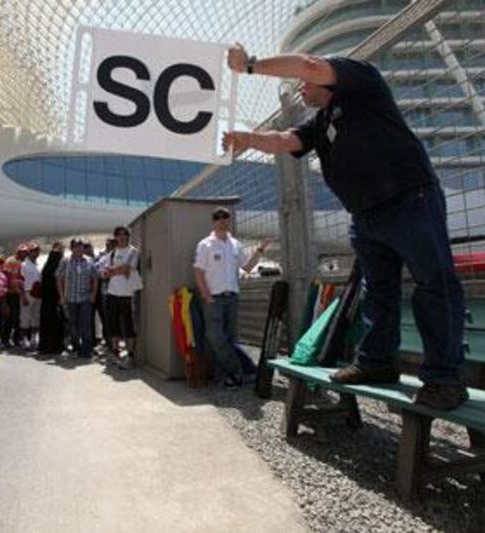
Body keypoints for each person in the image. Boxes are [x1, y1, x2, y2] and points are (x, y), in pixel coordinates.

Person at [223, 48, 467, 409]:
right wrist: (247, 140)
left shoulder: (361, 81)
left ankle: (445, 379)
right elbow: (284, 141)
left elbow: (308, 64)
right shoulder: (319, 123)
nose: (302, 88)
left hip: (408, 198)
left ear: (325, 81)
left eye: (305, 83)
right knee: (377, 292)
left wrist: (251, 66)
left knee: (435, 283)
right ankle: (376, 362)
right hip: (366, 216)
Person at [193, 207, 266, 389]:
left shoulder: (235, 244)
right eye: (218, 218)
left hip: (232, 297)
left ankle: (224, 377)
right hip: (213, 298)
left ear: (229, 220)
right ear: (213, 221)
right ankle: (242, 369)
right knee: (215, 336)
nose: (222, 221)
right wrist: (206, 294)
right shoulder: (205, 244)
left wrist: (260, 251)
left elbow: (247, 267)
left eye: (226, 217)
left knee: (230, 338)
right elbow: (199, 271)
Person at [100, 226, 139, 368]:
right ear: (115, 237)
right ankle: (115, 354)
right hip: (112, 293)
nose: (122, 237)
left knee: (129, 327)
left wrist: (112, 271)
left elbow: (127, 268)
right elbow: (104, 272)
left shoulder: (133, 251)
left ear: (128, 236)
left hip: (127, 294)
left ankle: (130, 357)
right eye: (119, 235)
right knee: (113, 327)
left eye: (125, 234)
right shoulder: (112, 253)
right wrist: (110, 272)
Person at [57, 238, 98, 359]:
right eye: (76, 246)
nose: (79, 248)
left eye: (81, 246)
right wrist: (61, 296)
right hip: (70, 299)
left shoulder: (89, 261)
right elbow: (58, 278)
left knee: (85, 325)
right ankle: (76, 347)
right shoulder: (66, 261)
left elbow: (95, 278)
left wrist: (93, 294)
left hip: (85, 298)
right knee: (72, 325)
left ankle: (86, 350)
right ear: (71, 248)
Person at [38, 242, 65, 355]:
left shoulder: (46, 269)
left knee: (47, 323)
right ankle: (56, 346)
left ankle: (46, 346)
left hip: (46, 302)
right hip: (55, 301)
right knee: (56, 323)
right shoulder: (58, 268)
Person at [1, 245, 26, 347]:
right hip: (11, 294)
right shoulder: (11, 261)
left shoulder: (22, 262)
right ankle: (5, 339)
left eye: (26, 252)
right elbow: (9, 279)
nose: (25, 254)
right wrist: (19, 292)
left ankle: (16, 339)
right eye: (23, 252)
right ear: (18, 252)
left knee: (18, 319)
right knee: (10, 319)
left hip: (18, 293)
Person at [20, 243, 42, 350]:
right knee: (25, 317)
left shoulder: (38, 265)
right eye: (33, 250)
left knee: (36, 317)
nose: (36, 252)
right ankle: (24, 339)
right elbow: (21, 281)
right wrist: (23, 295)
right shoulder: (23, 265)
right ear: (29, 252)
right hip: (27, 293)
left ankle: (34, 338)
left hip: (38, 294)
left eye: (37, 250)